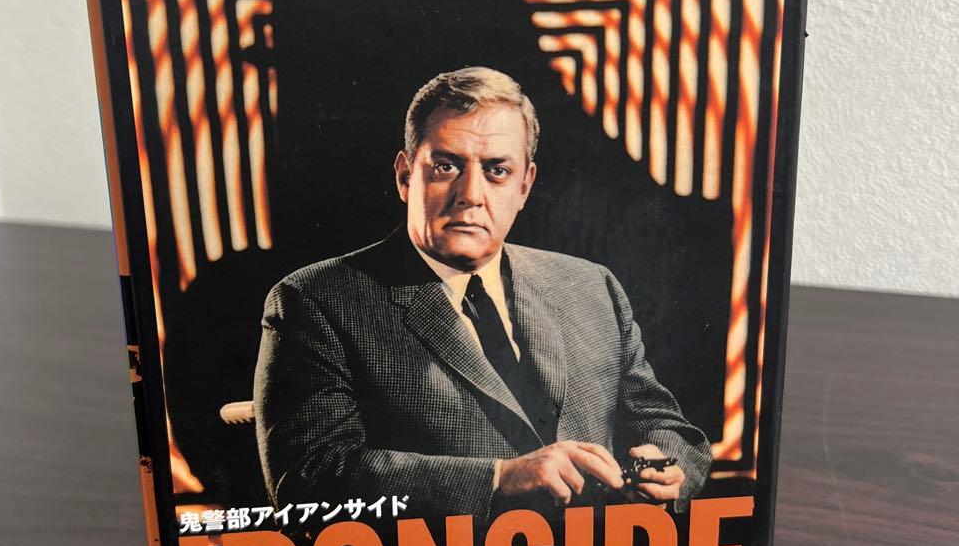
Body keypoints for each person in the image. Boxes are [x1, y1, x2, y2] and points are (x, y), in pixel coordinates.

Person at [253, 67, 712, 519]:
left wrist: (666, 468)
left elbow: (669, 429)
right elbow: (308, 479)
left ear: (524, 186)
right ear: (405, 176)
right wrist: (498, 479)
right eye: (446, 166)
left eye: (497, 171)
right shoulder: (314, 301)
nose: (471, 194)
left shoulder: (590, 287)